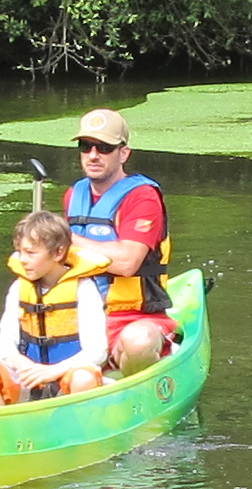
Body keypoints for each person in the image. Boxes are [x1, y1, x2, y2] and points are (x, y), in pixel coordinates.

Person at [62, 107, 177, 372]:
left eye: (104, 148)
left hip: (132, 317)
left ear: (123, 153)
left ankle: (130, 379)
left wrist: (66, 239)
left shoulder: (143, 197)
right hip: (81, 313)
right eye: (86, 146)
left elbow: (127, 262)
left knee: (138, 341)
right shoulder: (73, 195)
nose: (93, 155)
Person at [0, 209, 108, 404]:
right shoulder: (19, 287)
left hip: (68, 374)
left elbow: (97, 351)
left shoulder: (84, 289)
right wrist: (22, 364)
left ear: (58, 252)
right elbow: (5, 344)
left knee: (84, 378)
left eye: (30, 253)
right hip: (28, 376)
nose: (22, 259)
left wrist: (52, 371)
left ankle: (78, 428)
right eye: (20, 251)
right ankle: (2, 428)